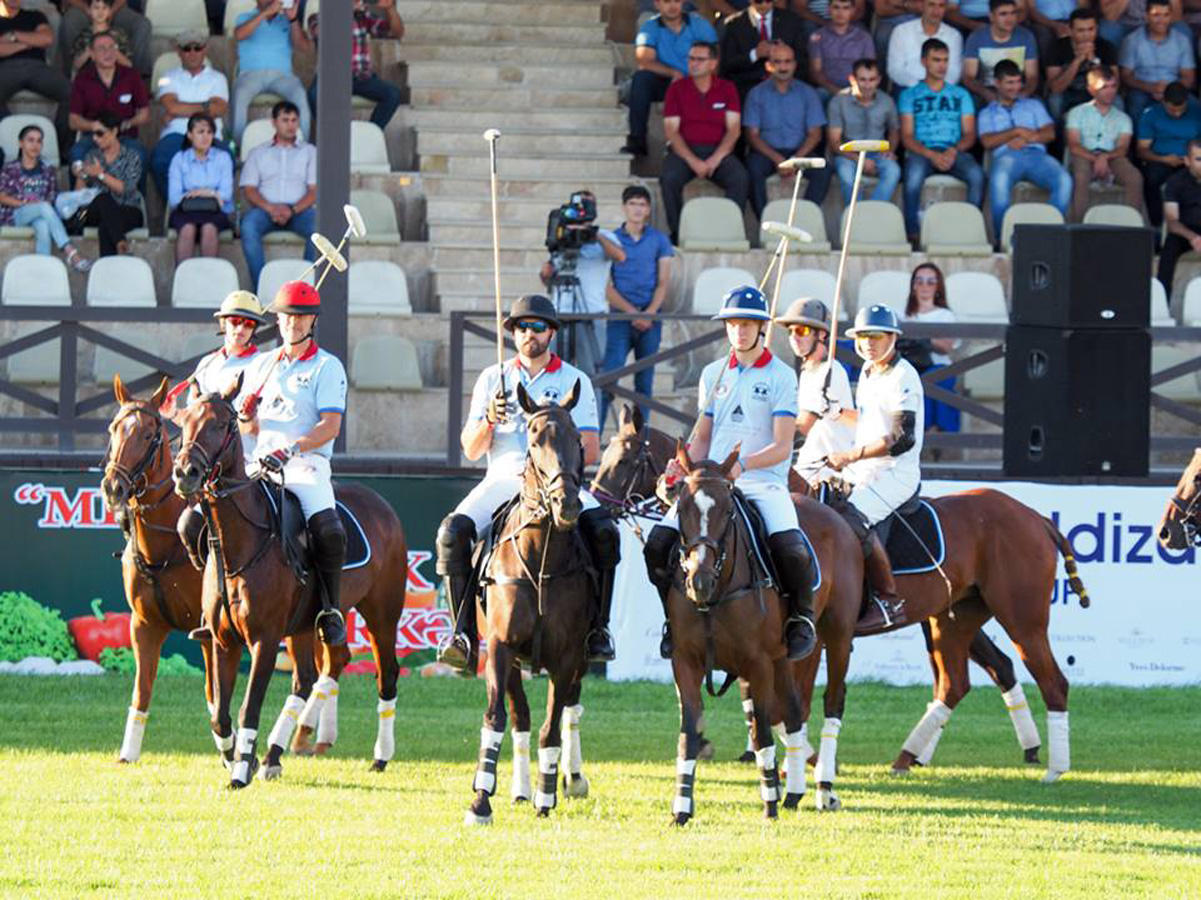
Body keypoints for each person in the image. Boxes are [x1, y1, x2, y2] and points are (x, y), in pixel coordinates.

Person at [435, 294, 618, 670]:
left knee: (605, 532)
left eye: (537, 327)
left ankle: (598, 629)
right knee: (452, 533)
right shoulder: (493, 377)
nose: (528, 333)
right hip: (504, 478)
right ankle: (463, 635)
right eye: (521, 327)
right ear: (513, 334)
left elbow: (593, 449)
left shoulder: (574, 379)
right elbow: (470, 449)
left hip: (557, 479)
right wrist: (488, 418)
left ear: (551, 333)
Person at [643, 285, 817, 661]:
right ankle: (673, 619)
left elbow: (784, 446)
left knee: (791, 548)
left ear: (760, 328)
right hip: (713, 484)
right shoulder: (713, 372)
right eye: (733, 324)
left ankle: (801, 618)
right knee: (657, 543)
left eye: (747, 324)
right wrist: (684, 464)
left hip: (763, 480)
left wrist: (743, 465)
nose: (739, 331)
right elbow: (704, 437)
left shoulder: (782, 375)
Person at [238, 281, 350, 647]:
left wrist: (292, 448)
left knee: (329, 529)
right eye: (288, 316)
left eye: (301, 316)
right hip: (259, 462)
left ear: (313, 320)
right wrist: (245, 415)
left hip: (306, 464)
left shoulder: (326, 367)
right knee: (203, 517)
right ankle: (213, 602)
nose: (293, 323)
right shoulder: (261, 365)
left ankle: (330, 610)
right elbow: (251, 429)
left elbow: (330, 426)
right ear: (278, 319)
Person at [173, 290, 268, 641]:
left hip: (256, 465)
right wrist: (175, 415)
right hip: (210, 474)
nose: (240, 329)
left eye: (247, 323)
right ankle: (210, 603)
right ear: (223, 325)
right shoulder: (207, 367)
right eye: (234, 322)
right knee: (188, 527)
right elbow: (191, 418)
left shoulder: (266, 363)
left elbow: (261, 425)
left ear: (254, 329)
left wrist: (248, 418)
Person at [824, 303, 918, 634]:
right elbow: (869, 421)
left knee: (851, 516)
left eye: (876, 337)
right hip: (864, 471)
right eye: (863, 337)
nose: (869, 344)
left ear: (893, 337)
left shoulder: (903, 375)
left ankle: (888, 600)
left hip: (896, 473)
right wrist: (836, 413)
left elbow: (902, 437)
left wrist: (851, 455)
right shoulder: (866, 371)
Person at [599, 185, 675, 429]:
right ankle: (594, 437)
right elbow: (606, 286)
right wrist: (632, 313)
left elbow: (663, 282)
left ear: (649, 209)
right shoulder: (611, 239)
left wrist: (649, 313)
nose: (637, 209)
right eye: (633, 204)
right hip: (620, 319)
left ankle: (639, 441)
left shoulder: (659, 240)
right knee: (608, 378)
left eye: (642, 204)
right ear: (624, 207)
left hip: (651, 318)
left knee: (644, 384)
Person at [659, 41, 748, 245]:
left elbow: (734, 130)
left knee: (740, 178)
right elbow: (671, 131)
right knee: (669, 179)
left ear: (713, 63)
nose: (694, 64)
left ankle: (729, 233)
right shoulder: (677, 89)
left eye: (700, 59)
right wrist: (693, 161)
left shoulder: (727, 88)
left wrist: (715, 159)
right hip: (684, 151)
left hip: (718, 151)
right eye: (691, 59)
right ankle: (677, 233)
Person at [899, 38, 984, 240]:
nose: (942, 65)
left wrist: (952, 151)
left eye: (946, 60)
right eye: (936, 60)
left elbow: (970, 134)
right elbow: (907, 137)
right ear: (923, 62)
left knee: (977, 176)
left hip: (954, 150)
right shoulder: (909, 95)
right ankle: (912, 234)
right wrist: (931, 155)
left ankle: (970, 230)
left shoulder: (961, 94)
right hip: (922, 151)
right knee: (912, 178)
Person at [978, 59, 1071, 239]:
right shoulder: (987, 112)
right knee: (999, 180)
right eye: (1009, 83)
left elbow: (1050, 133)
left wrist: (1030, 138)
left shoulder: (1033, 105)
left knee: (1064, 180)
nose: (1016, 87)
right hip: (1006, 156)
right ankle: (1004, 238)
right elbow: (987, 141)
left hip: (1036, 155)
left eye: (1018, 82)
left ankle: (1048, 234)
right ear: (997, 83)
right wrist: (1015, 131)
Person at [537, 189, 625, 376]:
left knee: (591, 372)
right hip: (559, 313)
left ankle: (593, 405)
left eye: (588, 204)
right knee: (551, 371)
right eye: (579, 205)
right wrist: (546, 274)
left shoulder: (605, 236)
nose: (582, 209)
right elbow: (549, 280)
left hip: (591, 314)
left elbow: (620, 256)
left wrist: (593, 235)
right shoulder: (561, 235)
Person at [743, 41, 831, 220]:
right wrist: (777, 159)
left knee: (824, 170)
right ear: (768, 65)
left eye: (787, 61)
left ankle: (805, 219)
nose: (783, 67)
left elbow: (815, 135)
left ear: (795, 65)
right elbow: (752, 136)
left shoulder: (808, 93)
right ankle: (764, 223)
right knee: (751, 170)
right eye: (777, 62)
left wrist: (795, 160)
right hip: (767, 153)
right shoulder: (756, 94)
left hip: (800, 152)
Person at [775, 297, 855, 486]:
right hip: (808, 465)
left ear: (822, 335)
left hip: (829, 474)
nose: (794, 337)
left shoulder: (830, 372)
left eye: (802, 330)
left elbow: (802, 426)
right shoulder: (808, 370)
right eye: (791, 331)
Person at [622, 0, 718, 157]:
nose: (673, 6)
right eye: (667, 1)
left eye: (677, 1)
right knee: (641, 79)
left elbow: (714, 59)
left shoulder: (699, 25)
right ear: (657, 4)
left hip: (696, 78)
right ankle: (637, 141)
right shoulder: (650, 27)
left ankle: (690, 144)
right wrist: (674, 73)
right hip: (666, 79)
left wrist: (693, 78)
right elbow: (644, 61)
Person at [239, 100, 317, 289]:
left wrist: (292, 209)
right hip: (265, 210)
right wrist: (271, 208)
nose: (291, 125)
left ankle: (306, 288)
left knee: (320, 228)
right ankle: (262, 286)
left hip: (299, 210)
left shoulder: (310, 152)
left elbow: (315, 190)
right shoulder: (258, 153)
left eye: (294, 120)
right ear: (274, 122)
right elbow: (249, 189)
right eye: (285, 120)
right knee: (248, 226)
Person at [149, 30, 230, 201]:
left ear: (204, 49)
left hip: (210, 136)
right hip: (176, 134)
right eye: (187, 48)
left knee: (226, 159)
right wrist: (206, 106)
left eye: (197, 47)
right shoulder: (167, 77)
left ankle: (210, 205)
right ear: (178, 51)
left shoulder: (218, 78)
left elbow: (220, 108)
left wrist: (180, 110)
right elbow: (170, 106)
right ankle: (179, 203)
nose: (192, 53)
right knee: (159, 160)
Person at [0, 123, 90, 271]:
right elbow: (2, 196)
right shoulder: (9, 169)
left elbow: (52, 197)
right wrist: (27, 203)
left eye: (39, 140)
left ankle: (42, 270)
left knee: (42, 225)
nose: (35, 145)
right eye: (30, 140)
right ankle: (71, 252)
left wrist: (41, 205)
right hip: (15, 215)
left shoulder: (47, 170)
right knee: (43, 207)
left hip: (42, 214)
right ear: (20, 143)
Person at [306, 0, 404, 131]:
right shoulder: (319, 16)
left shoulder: (364, 17)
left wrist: (390, 9)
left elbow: (397, 33)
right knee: (313, 95)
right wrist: (347, 11)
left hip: (361, 77)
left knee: (393, 94)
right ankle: (330, 135)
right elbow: (320, 31)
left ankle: (369, 134)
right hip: (331, 77)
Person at [1066, 65, 1143, 221]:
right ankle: (1078, 226)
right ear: (1091, 90)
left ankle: (1131, 226)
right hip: (1084, 154)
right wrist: (1096, 159)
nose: (1110, 91)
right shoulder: (1077, 113)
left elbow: (1122, 148)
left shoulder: (1123, 118)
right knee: (1081, 176)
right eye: (1104, 87)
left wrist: (1105, 157)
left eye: (1113, 86)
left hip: (1113, 156)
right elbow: (1074, 145)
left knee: (1135, 178)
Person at [231, 0, 313, 145]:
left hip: (282, 76)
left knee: (300, 95)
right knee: (239, 95)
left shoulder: (285, 20)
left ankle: (303, 146)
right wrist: (264, 14)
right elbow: (239, 35)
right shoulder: (245, 17)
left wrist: (293, 19)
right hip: (250, 74)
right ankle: (239, 147)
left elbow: (304, 47)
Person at [67, 30, 149, 170]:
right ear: (92, 55)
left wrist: (128, 123)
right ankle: (81, 193)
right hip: (94, 137)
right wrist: (94, 126)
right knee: (77, 154)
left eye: (112, 47)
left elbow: (144, 114)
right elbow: (73, 121)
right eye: (102, 48)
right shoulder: (82, 79)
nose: (108, 52)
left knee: (140, 154)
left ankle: (137, 193)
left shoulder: (132, 76)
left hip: (124, 136)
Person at [828, 57, 902, 204]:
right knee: (846, 175)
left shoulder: (887, 101)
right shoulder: (838, 101)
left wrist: (890, 150)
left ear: (879, 79)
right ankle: (855, 216)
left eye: (872, 79)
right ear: (852, 79)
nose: (867, 85)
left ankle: (871, 212)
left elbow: (894, 130)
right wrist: (859, 160)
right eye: (862, 79)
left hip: (877, 153)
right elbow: (835, 142)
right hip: (848, 154)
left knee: (893, 171)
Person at [0, 0, 71, 153]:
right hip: (6, 68)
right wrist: (30, 42)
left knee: (71, 93)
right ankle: (10, 142)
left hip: (37, 68)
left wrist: (13, 36)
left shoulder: (35, 16)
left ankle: (59, 147)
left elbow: (46, 39)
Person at [901, 263, 960, 436]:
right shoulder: (902, 314)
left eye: (930, 282)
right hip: (909, 365)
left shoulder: (946, 315)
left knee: (933, 379)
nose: (924, 286)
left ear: (938, 286)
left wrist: (924, 338)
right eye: (919, 281)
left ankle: (936, 434)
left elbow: (946, 347)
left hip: (937, 365)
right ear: (913, 286)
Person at [168, 113, 234, 264]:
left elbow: (226, 195)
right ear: (190, 135)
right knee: (187, 230)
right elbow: (174, 198)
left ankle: (208, 280)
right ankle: (182, 280)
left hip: (215, 211)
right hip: (185, 211)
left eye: (209, 132)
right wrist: (212, 194)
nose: (205, 137)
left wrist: (203, 192)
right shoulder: (179, 159)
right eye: (200, 132)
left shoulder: (223, 157)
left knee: (209, 229)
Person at [75, 111, 143, 257]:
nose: (95, 138)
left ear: (114, 131)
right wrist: (81, 176)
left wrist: (101, 174)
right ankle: (121, 244)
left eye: (100, 133)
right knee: (103, 199)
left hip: (128, 209)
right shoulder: (92, 156)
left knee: (106, 227)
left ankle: (107, 270)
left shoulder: (132, 157)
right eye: (93, 134)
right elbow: (79, 196)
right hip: (92, 212)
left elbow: (126, 189)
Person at [1137, 80, 1201, 231]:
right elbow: (1142, 150)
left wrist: (1191, 160)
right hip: (1161, 160)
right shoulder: (1151, 114)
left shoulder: (1197, 113)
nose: (1177, 113)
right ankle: (1156, 225)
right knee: (1151, 178)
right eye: (1172, 110)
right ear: (1164, 102)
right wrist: (1164, 159)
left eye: (1181, 109)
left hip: (1192, 161)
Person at [1119, 0, 1195, 125]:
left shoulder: (1182, 40)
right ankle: (1139, 142)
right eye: (1156, 15)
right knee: (1135, 101)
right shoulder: (1132, 40)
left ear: (1171, 16)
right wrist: (1151, 87)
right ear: (1146, 16)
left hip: (1175, 87)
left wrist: (1169, 91)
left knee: (1194, 106)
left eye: (1166, 15)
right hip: (1143, 89)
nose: (1161, 20)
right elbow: (1126, 76)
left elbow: (1189, 77)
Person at [718, 0, 807, 102]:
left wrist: (785, 52)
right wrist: (755, 54)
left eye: (768, 0)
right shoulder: (735, 23)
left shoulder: (791, 20)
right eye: (759, 0)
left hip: (786, 84)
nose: (764, 4)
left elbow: (802, 59)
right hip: (749, 87)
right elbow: (728, 65)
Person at [1045, 8, 1119, 122]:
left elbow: (1115, 84)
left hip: (1096, 94)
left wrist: (1094, 62)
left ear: (1097, 29)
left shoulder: (1106, 47)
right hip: (1068, 94)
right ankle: (1059, 136)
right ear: (1070, 30)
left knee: (1118, 100)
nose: (1086, 35)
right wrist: (1077, 61)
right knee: (1054, 100)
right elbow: (1055, 88)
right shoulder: (1056, 48)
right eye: (1081, 30)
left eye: (1091, 29)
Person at [961, 0, 1040, 105]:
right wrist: (986, 94)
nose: (1010, 19)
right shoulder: (976, 37)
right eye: (1003, 14)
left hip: (1017, 90)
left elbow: (1032, 76)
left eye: (1013, 13)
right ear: (991, 16)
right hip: (986, 92)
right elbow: (968, 77)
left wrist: (1023, 94)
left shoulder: (1026, 36)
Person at [887, 0, 964, 92]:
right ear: (922, 6)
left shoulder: (954, 36)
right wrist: (918, 86)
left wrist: (937, 88)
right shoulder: (901, 31)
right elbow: (895, 69)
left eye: (941, 6)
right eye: (931, 5)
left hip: (942, 91)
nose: (936, 11)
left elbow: (954, 72)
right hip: (908, 89)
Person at [1156, 138, 1201, 293]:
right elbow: (1172, 221)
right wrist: (1193, 238)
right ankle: (1161, 301)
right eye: (1199, 159)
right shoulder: (1175, 182)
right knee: (1169, 249)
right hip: (1185, 232)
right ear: (1187, 161)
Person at [57, 0, 150, 75]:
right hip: (82, 7)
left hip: (114, 7)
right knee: (69, 22)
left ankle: (139, 77)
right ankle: (69, 77)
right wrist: (88, 9)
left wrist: (111, 11)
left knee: (142, 24)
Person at [807, 0, 875, 98]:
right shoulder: (817, 37)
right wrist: (836, 91)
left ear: (853, 11)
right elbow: (816, 72)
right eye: (836, 7)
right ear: (829, 9)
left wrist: (855, 90)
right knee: (817, 95)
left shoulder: (864, 38)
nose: (840, 13)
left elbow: (869, 69)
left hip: (857, 89)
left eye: (846, 8)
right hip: (827, 89)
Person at [67, 0, 131, 74]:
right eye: (96, 8)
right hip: (89, 78)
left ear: (110, 11)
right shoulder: (83, 35)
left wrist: (115, 52)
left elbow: (129, 65)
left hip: (115, 77)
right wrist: (87, 52)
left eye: (104, 8)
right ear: (89, 10)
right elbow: (76, 65)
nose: (100, 12)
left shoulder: (118, 35)